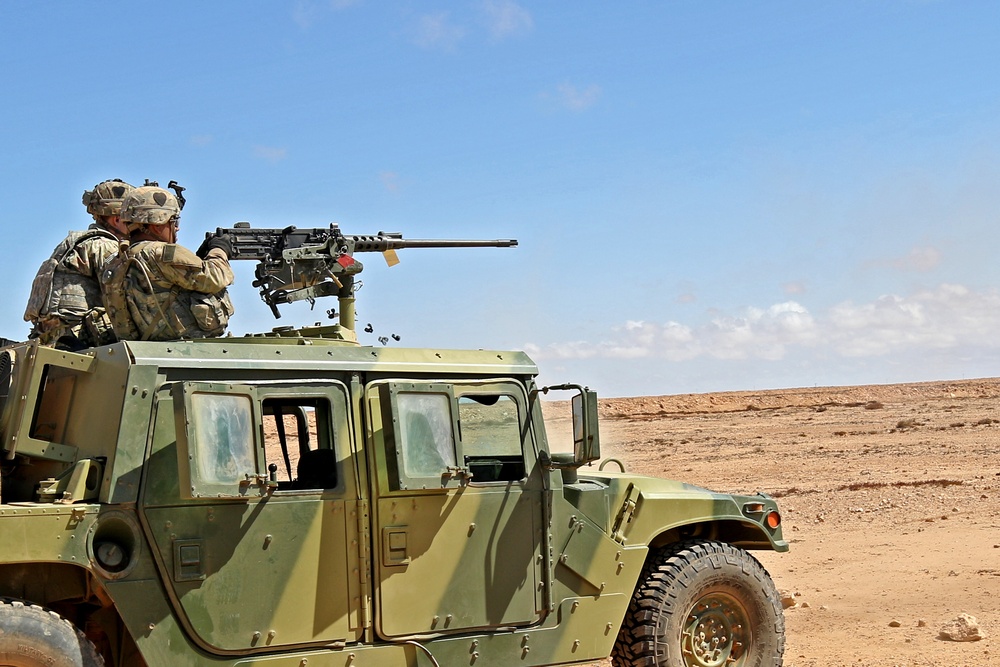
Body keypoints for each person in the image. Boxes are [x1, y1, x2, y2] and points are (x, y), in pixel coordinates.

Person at [101, 184, 235, 341]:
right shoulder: (163, 253)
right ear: (157, 226)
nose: (176, 229)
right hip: (186, 349)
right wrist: (220, 249)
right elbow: (215, 278)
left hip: (146, 348)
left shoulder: (117, 261)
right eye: (174, 221)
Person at [23, 179, 135, 348]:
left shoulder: (78, 243)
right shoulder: (104, 246)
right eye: (132, 218)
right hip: (77, 344)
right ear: (117, 219)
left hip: (51, 343)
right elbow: (128, 297)